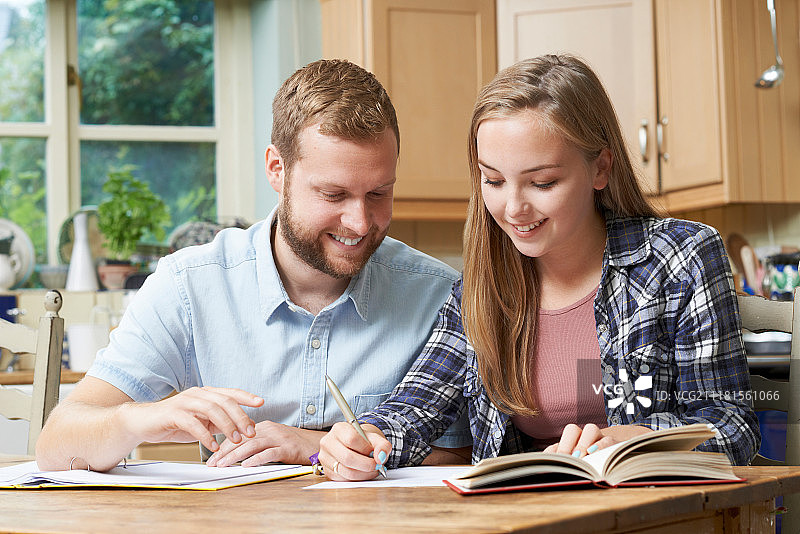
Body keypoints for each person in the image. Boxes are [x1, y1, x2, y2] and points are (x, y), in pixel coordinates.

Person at [318, 54, 760, 481]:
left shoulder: (678, 259)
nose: (513, 208)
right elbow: (418, 405)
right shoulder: (484, 284)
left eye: (542, 182)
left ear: (600, 168)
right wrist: (367, 437)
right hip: (531, 513)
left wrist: (641, 441)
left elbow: (732, 425)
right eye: (492, 180)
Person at [35, 59, 471, 471]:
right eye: (334, 195)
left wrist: (311, 447)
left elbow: (462, 456)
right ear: (276, 169)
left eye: (378, 193)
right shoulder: (189, 287)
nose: (359, 222)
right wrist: (138, 418)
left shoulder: (437, 295)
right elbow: (56, 445)